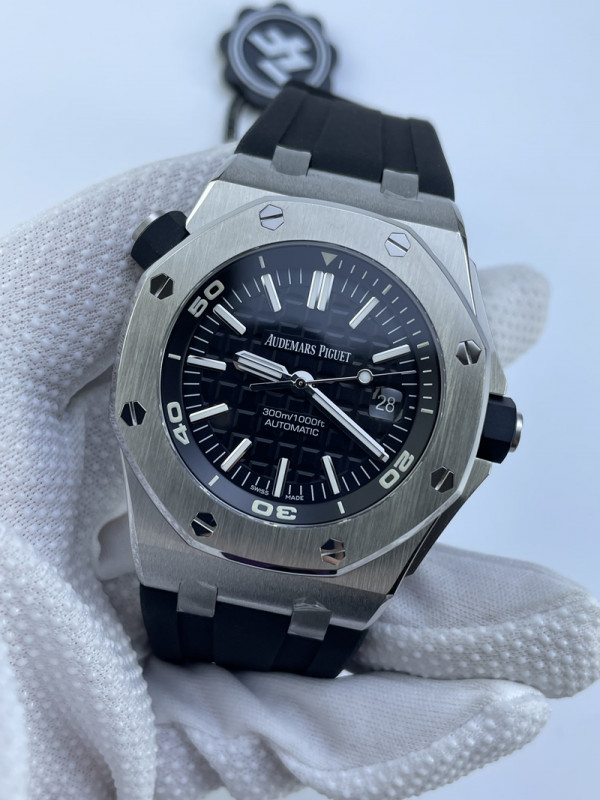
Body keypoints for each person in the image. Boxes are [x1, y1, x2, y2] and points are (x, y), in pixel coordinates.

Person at [0, 145, 598, 800]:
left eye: (311, 379)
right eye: (295, 376)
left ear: (489, 428)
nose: (302, 381)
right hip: (200, 513)